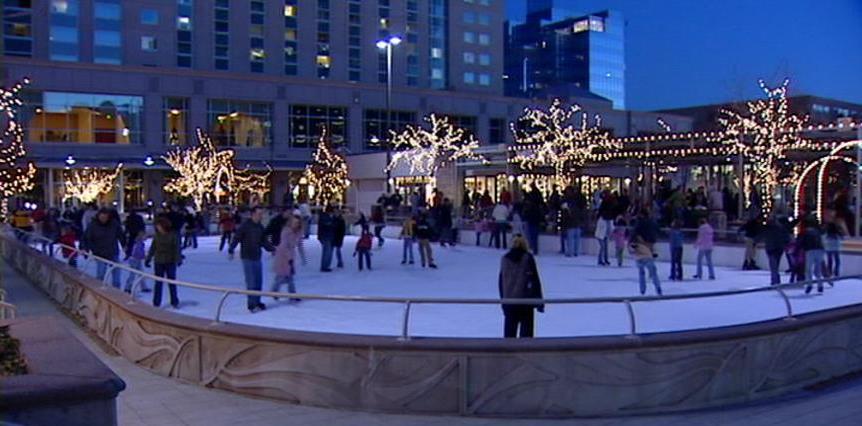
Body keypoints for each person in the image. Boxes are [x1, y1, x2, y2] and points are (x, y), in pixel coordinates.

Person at [228, 206, 275, 312]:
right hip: (247, 257)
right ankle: (251, 304)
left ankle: (257, 301)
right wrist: (231, 249)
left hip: (257, 256)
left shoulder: (260, 227)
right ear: (253, 214)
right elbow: (236, 238)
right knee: (251, 282)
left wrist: (272, 249)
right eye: (259, 214)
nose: (261, 216)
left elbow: (264, 241)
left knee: (258, 281)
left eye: (261, 214)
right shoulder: (245, 226)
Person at [498, 235, 544, 338]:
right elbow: (535, 279)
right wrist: (539, 300)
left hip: (509, 300)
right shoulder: (528, 258)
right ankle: (525, 353)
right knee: (526, 335)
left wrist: (503, 301)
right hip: (525, 301)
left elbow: (501, 281)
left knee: (509, 335)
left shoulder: (505, 258)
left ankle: (509, 353)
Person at [83, 208, 126, 289]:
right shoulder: (93, 225)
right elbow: (86, 238)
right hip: (99, 252)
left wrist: (124, 245)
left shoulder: (114, 224)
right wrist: (86, 248)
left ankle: (117, 290)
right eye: (102, 217)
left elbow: (120, 235)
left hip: (112, 251)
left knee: (116, 272)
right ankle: (99, 289)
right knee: (101, 273)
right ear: (98, 216)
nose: (104, 219)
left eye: (106, 217)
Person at [145, 218, 181, 308]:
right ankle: (156, 302)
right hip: (159, 262)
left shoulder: (173, 235)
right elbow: (153, 248)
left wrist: (178, 259)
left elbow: (177, 248)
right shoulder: (157, 236)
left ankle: (174, 301)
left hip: (170, 261)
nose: (157, 228)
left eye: (159, 226)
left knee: (171, 282)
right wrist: (148, 258)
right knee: (158, 283)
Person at [271, 215, 306, 302]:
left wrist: (303, 257)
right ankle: (275, 291)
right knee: (281, 276)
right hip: (282, 255)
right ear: (290, 222)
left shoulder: (299, 232)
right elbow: (284, 245)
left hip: (290, 255)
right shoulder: (286, 231)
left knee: (289, 276)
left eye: (297, 223)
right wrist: (289, 257)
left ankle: (291, 294)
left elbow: (300, 245)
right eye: (294, 222)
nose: (296, 224)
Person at [630, 211, 662, 296]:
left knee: (641, 272)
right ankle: (658, 288)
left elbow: (632, 237)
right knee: (653, 271)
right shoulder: (652, 224)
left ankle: (642, 290)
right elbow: (658, 232)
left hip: (639, 251)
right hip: (648, 250)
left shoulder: (638, 225)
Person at [761, 215, 792, 285]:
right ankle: (775, 280)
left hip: (772, 249)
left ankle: (775, 281)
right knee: (775, 265)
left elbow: (761, 236)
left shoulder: (767, 228)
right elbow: (786, 237)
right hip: (778, 248)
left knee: (773, 266)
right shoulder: (780, 228)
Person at [800, 217, 828, 294]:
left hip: (810, 250)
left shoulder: (806, 232)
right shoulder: (818, 231)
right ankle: (820, 285)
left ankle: (810, 284)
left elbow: (802, 242)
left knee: (808, 269)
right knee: (818, 269)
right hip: (820, 250)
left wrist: (802, 248)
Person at [316, 206, 335, 272]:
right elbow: (327, 225)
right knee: (327, 252)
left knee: (327, 252)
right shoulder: (325, 217)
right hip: (325, 236)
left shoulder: (326, 217)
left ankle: (325, 265)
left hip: (327, 236)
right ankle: (324, 266)